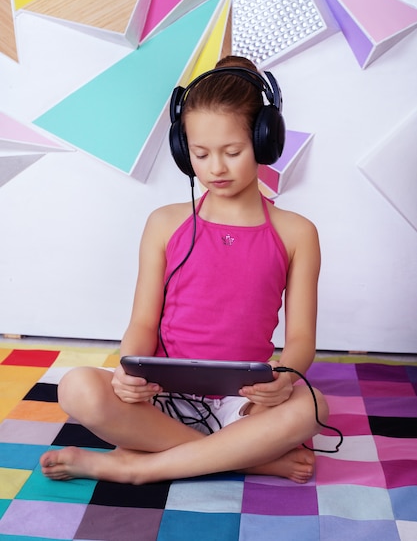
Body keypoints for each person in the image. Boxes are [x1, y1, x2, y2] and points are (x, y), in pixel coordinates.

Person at [40, 55, 327, 486]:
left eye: (233, 152)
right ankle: (244, 458)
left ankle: (139, 467)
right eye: (200, 153)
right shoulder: (164, 223)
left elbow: (302, 337)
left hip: (243, 404)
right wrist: (128, 373)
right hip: (162, 396)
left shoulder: (297, 233)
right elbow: (142, 322)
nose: (216, 168)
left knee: (315, 407)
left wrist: (284, 379)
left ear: (265, 142)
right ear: (182, 149)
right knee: (76, 386)